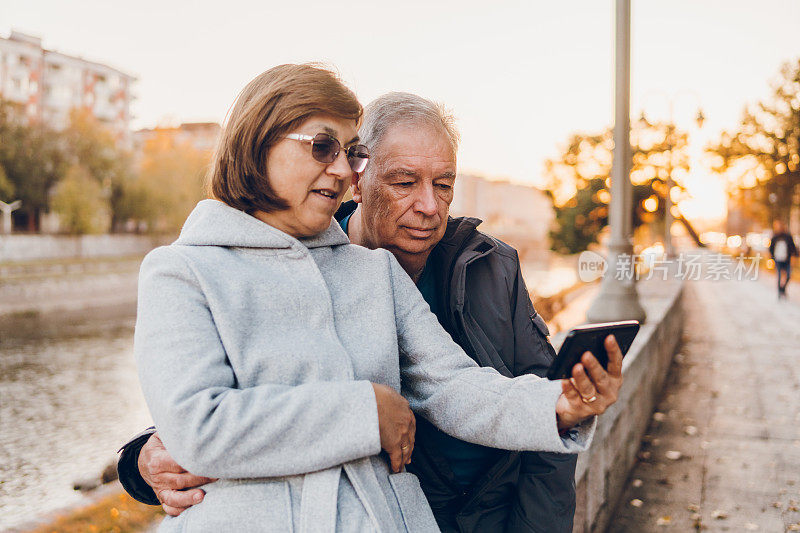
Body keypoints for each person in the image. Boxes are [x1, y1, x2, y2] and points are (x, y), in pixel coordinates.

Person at [126, 64, 623, 532]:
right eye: (323, 147)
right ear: (256, 144)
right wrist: (367, 411)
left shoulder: (374, 270)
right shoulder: (182, 271)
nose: (343, 170)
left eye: (350, 152)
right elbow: (199, 425)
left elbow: (455, 386)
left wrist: (558, 404)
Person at [769, 220, 797, 299]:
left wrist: (794, 256)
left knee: (788, 275)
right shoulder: (774, 237)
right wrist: (771, 259)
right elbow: (771, 249)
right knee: (780, 275)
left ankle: (783, 288)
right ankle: (779, 292)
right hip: (777, 259)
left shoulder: (788, 236)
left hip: (786, 259)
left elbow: (793, 247)